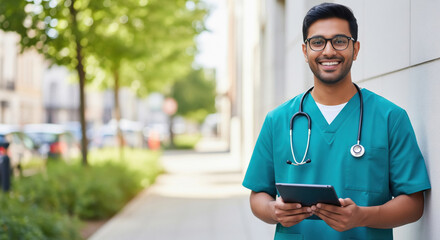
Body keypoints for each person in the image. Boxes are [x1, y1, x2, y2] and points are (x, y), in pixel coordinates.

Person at [242, 2, 431, 239]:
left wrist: (363, 216)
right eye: (318, 42)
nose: (328, 51)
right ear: (305, 51)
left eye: (340, 41)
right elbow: (258, 194)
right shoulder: (278, 120)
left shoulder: (390, 117)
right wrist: (274, 211)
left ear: (356, 48)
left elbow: (414, 204)